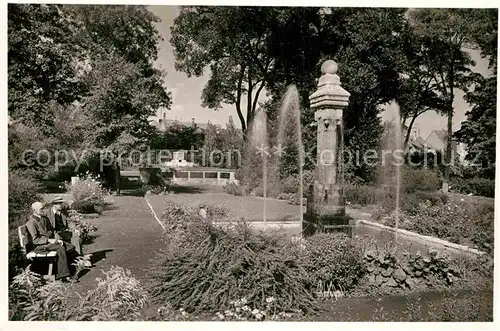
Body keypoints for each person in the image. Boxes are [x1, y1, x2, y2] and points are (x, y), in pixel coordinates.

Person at [25, 201, 75, 281]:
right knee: (61, 249)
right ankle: (64, 276)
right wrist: (49, 240)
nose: (44, 210)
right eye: (41, 208)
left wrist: (57, 239)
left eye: (44, 208)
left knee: (70, 246)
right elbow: (35, 240)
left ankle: (60, 269)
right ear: (35, 210)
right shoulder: (31, 222)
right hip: (40, 246)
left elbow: (51, 231)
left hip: (49, 242)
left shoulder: (44, 218)